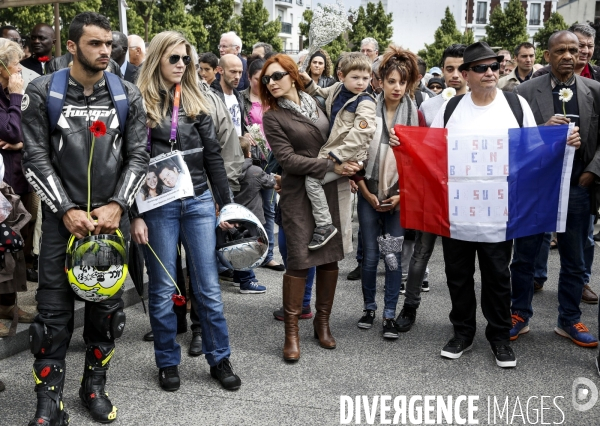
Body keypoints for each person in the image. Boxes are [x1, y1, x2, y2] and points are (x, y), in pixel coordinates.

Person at [22, 12, 149, 424]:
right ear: (73, 46)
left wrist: (118, 206)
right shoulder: (43, 91)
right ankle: (49, 403)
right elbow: (35, 157)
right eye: (95, 44)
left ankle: (93, 387)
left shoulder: (128, 93)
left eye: (109, 44)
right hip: (64, 225)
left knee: (107, 314)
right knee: (52, 317)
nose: (105, 51)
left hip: (111, 225)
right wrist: (66, 210)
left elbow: (139, 156)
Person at [133, 30, 241, 392]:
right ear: (157, 59)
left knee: (209, 288)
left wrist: (226, 206)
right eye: (174, 58)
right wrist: (134, 213)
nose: (182, 65)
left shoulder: (198, 99)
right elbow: (129, 162)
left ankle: (219, 358)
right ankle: (166, 361)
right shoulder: (138, 101)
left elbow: (213, 158)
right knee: (163, 290)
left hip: (196, 202)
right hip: (157, 206)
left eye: (187, 59)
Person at [431, 42, 541, 368]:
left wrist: (564, 143)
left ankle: (500, 337)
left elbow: (535, 149)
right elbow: (431, 152)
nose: (490, 72)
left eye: (493, 66)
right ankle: (462, 333)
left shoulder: (516, 104)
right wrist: (401, 143)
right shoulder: (450, 110)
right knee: (458, 275)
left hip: (499, 213)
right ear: (465, 74)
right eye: (481, 67)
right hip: (458, 213)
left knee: (497, 276)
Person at [262, 53, 358, 361]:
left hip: (329, 187)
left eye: (276, 76)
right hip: (297, 192)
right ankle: (291, 334)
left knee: (329, 259)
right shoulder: (272, 116)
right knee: (299, 261)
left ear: (292, 75)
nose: (271, 82)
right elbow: (287, 160)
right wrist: (330, 165)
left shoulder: (316, 101)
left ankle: (322, 322)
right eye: (266, 79)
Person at [511, 30, 599, 348]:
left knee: (574, 260)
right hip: (536, 188)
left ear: (580, 55)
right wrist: (541, 132)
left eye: (573, 50)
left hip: (578, 187)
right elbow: (512, 138)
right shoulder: (523, 91)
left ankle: (569, 319)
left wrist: (592, 171)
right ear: (547, 56)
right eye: (560, 50)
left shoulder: (594, 90)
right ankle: (518, 314)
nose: (567, 56)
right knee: (524, 257)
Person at [393, 44, 469, 334]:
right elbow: (420, 147)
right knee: (421, 253)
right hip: (434, 190)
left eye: (461, 69)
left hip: (463, 194)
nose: (454, 75)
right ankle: (409, 307)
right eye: (449, 69)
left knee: (458, 260)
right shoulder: (429, 105)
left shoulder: (480, 104)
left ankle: (461, 317)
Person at [354, 46, 419, 339]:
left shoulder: (413, 116)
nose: (396, 87)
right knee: (369, 257)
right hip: (368, 193)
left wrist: (401, 196)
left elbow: (419, 164)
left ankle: (390, 314)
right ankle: (369, 307)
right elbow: (354, 153)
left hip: (397, 197)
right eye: (390, 81)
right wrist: (366, 193)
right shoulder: (367, 110)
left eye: (401, 82)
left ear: (408, 84)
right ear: (380, 81)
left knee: (391, 258)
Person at [300, 52, 376, 251]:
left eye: (365, 78)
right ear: (342, 76)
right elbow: (320, 92)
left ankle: (325, 225)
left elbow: (362, 132)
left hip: (348, 156)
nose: (361, 83)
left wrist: (338, 156)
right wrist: (307, 82)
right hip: (335, 153)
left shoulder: (365, 101)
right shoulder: (337, 89)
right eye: (355, 77)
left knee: (312, 180)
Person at [0, 39, 35, 334]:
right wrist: (15, 96)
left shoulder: (11, 93)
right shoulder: (11, 93)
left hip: (21, 178)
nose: (19, 69)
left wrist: (22, 141)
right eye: (14, 64)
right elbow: (10, 128)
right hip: (4, 185)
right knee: (3, 248)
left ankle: (8, 303)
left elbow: (29, 127)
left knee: (17, 246)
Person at [240, 56, 284, 272]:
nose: (262, 83)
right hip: (250, 160)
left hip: (270, 161)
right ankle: (247, 255)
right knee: (248, 209)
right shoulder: (242, 100)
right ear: (249, 78)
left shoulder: (274, 99)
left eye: (266, 79)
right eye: (258, 78)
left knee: (268, 209)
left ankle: (268, 255)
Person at [232, 137, 276, 293]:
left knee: (238, 246)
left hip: (235, 216)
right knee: (249, 250)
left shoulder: (229, 171)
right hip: (252, 218)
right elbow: (271, 183)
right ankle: (247, 281)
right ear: (249, 153)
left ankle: (238, 276)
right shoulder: (255, 171)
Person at [214, 54, 246, 137]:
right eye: (233, 72)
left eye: (240, 72)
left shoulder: (239, 97)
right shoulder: (212, 97)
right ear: (220, 70)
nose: (237, 77)